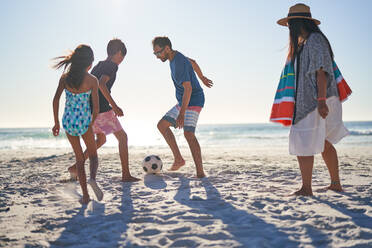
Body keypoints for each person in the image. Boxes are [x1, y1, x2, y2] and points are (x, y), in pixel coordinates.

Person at [277, 3, 349, 196]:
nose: (289, 30)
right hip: (312, 99)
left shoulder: (315, 40)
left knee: (303, 140)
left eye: (290, 25)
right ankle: (335, 184)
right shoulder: (306, 43)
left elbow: (321, 72)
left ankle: (307, 188)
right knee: (322, 141)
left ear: (296, 23)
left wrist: (321, 100)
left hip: (314, 100)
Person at [68, 39, 139, 182]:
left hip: (90, 109)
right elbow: (101, 84)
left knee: (101, 139)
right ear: (118, 52)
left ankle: (76, 166)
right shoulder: (112, 66)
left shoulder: (100, 64)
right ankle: (126, 174)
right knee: (122, 138)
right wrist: (114, 106)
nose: (122, 60)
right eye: (122, 56)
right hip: (101, 109)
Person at [152, 36, 213, 178]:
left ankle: (200, 172)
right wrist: (202, 77)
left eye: (158, 53)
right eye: (155, 54)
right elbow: (193, 62)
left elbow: (188, 89)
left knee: (188, 134)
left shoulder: (178, 62)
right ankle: (178, 159)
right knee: (162, 125)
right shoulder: (175, 57)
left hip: (194, 99)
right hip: (184, 101)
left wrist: (182, 114)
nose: (157, 56)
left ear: (167, 48)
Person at [52, 44, 103, 204]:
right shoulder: (92, 80)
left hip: (68, 121)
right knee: (93, 156)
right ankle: (92, 178)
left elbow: (56, 99)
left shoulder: (65, 78)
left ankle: (86, 196)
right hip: (84, 122)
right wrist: (92, 124)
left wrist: (56, 123)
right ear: (88, 63)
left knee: (79, 159)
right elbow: (96, 108)